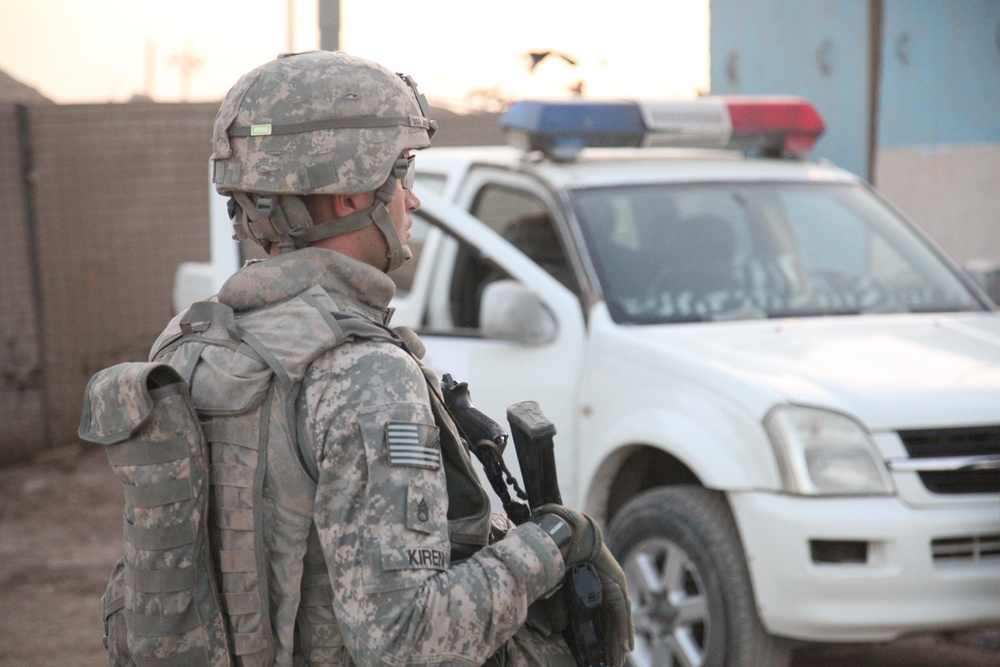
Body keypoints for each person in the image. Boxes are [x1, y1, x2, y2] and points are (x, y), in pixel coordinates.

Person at [154, 51, 632, 666]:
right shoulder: (361, 373)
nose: (414, 200)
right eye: (401, 174)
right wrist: (554, 544)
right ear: (351, 193)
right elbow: (406, 640)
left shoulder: (190, 342)